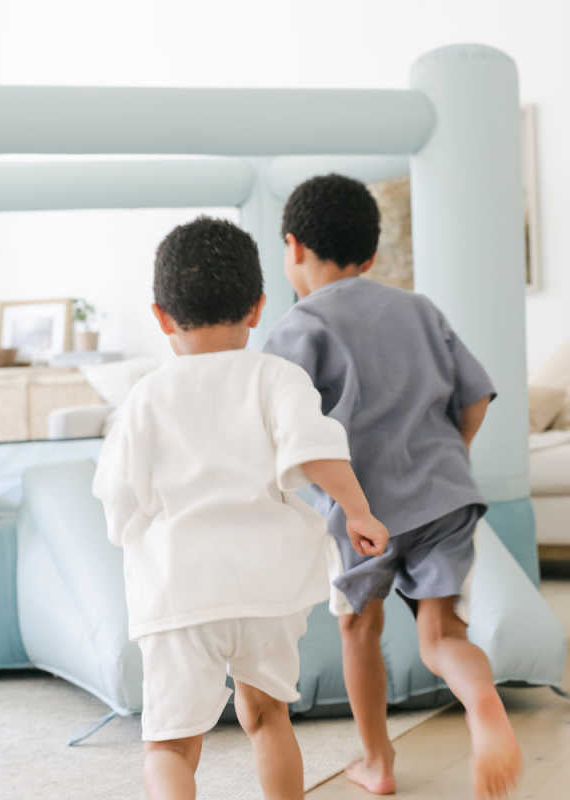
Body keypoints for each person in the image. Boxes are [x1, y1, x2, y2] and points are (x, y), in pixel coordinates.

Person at [93, 216, 389, 800]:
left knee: (171, 746)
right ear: (257, 309)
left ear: (159, 316)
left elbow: (118, 495)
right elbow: (317, 448)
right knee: (267, 716)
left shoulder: (145, 396)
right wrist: (358, 512)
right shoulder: (277, 377)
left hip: (180, 591)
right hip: (266, 590)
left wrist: (132, 532)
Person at [264, 174, 521, 799]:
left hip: (363, 514)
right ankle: (483, 703)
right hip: (448, 496)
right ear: (373, 254)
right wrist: (450, 459)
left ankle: (378, 764)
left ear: (292, 247)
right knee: (441, 637)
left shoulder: (297, 329)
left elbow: (283, 429)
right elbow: (477, 396)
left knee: (360, 629)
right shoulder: (419, 309)